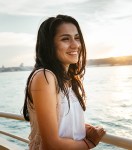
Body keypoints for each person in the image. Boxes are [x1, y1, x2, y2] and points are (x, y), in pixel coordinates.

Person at [23, 14, 106, 150]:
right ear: (49, 45)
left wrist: (82, 128)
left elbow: (59, 122)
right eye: (65, 39)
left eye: (77, 38)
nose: (75, 45)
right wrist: (90, 143)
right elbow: (51, 144)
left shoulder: (68, 80)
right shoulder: (45, 77)